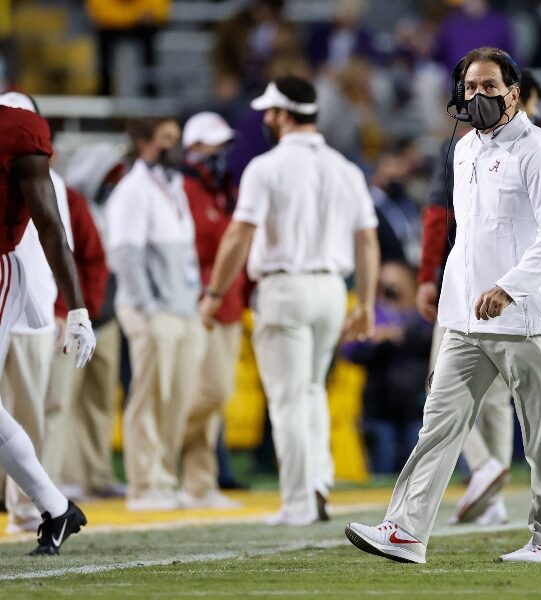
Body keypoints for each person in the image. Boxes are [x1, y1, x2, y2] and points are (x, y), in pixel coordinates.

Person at [346, 47, 541, 564]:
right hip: (466, 318)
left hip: (523, 315)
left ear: (513, 94)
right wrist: (451, 299)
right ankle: (406, 530)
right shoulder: (464, 148)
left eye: (490, 87)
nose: (479, 96)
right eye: (471, 87)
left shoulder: (539, 150)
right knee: (439, 424)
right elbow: (465, 238)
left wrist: (510, 286)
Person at [199, 76, 380, 526]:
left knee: (287, 400)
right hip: (332, 290)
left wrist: (215, 293)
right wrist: (367, 303)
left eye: (270, 111)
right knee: (313, 389)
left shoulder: (267, 167)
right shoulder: (345, 168)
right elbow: (368, 239)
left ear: (282, 114)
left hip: (285, 287)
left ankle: (299, 500)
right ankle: (318, 481)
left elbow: (240, 233)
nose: (265, 118)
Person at [416, 70, 541, 527]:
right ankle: (494, 497)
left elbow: (436, 216)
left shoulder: (533, 147)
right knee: (494, 399)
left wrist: (428, 276)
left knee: (444, 386)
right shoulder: (467, 146)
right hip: (488, 287)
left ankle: (486, 469)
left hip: (484, 289)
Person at [0, 100, 96, 555]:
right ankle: (57, 508)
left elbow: (51, 226)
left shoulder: (17, 130)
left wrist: (76, 308)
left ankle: (55, 507)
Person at [106, 116, 206, 511]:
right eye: (167, 139)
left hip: (182, 305)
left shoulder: (174, 185)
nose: (175, 146)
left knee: (177, 397)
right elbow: (125, 255)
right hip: (152, 309)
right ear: (145, 142)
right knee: (149, 396)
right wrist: (147, 308)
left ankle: (166, 476)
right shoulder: (132, 190)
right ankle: (143, 484)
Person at [179, 112, 244, 510]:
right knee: (211, 391)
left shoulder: (224, 192)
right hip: (198, 302)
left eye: (223, 145)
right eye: (211, 145)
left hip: (229, 303)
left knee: (215, 401)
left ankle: (199, 484)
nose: (219, 153)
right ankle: (160, 446)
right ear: (193, 149)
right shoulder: (184, 190)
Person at [59, 141, 128, 500]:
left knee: (101, 401)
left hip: (108, 315)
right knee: (64, 399)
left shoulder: (109, 208)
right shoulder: (68, 204)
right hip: (77, 314)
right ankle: (66, 477)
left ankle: (97, 474)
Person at [341, 261, 432, 474]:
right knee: (383, 470)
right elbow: (349, 352)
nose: (392, 290)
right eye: (386, 284)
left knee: (418, 471)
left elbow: (435, 344)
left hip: (416, 404)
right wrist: (378, 341)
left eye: (396, 283)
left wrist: (401, 335)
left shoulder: (422, 312)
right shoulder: (371, 312)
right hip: (380, 405)